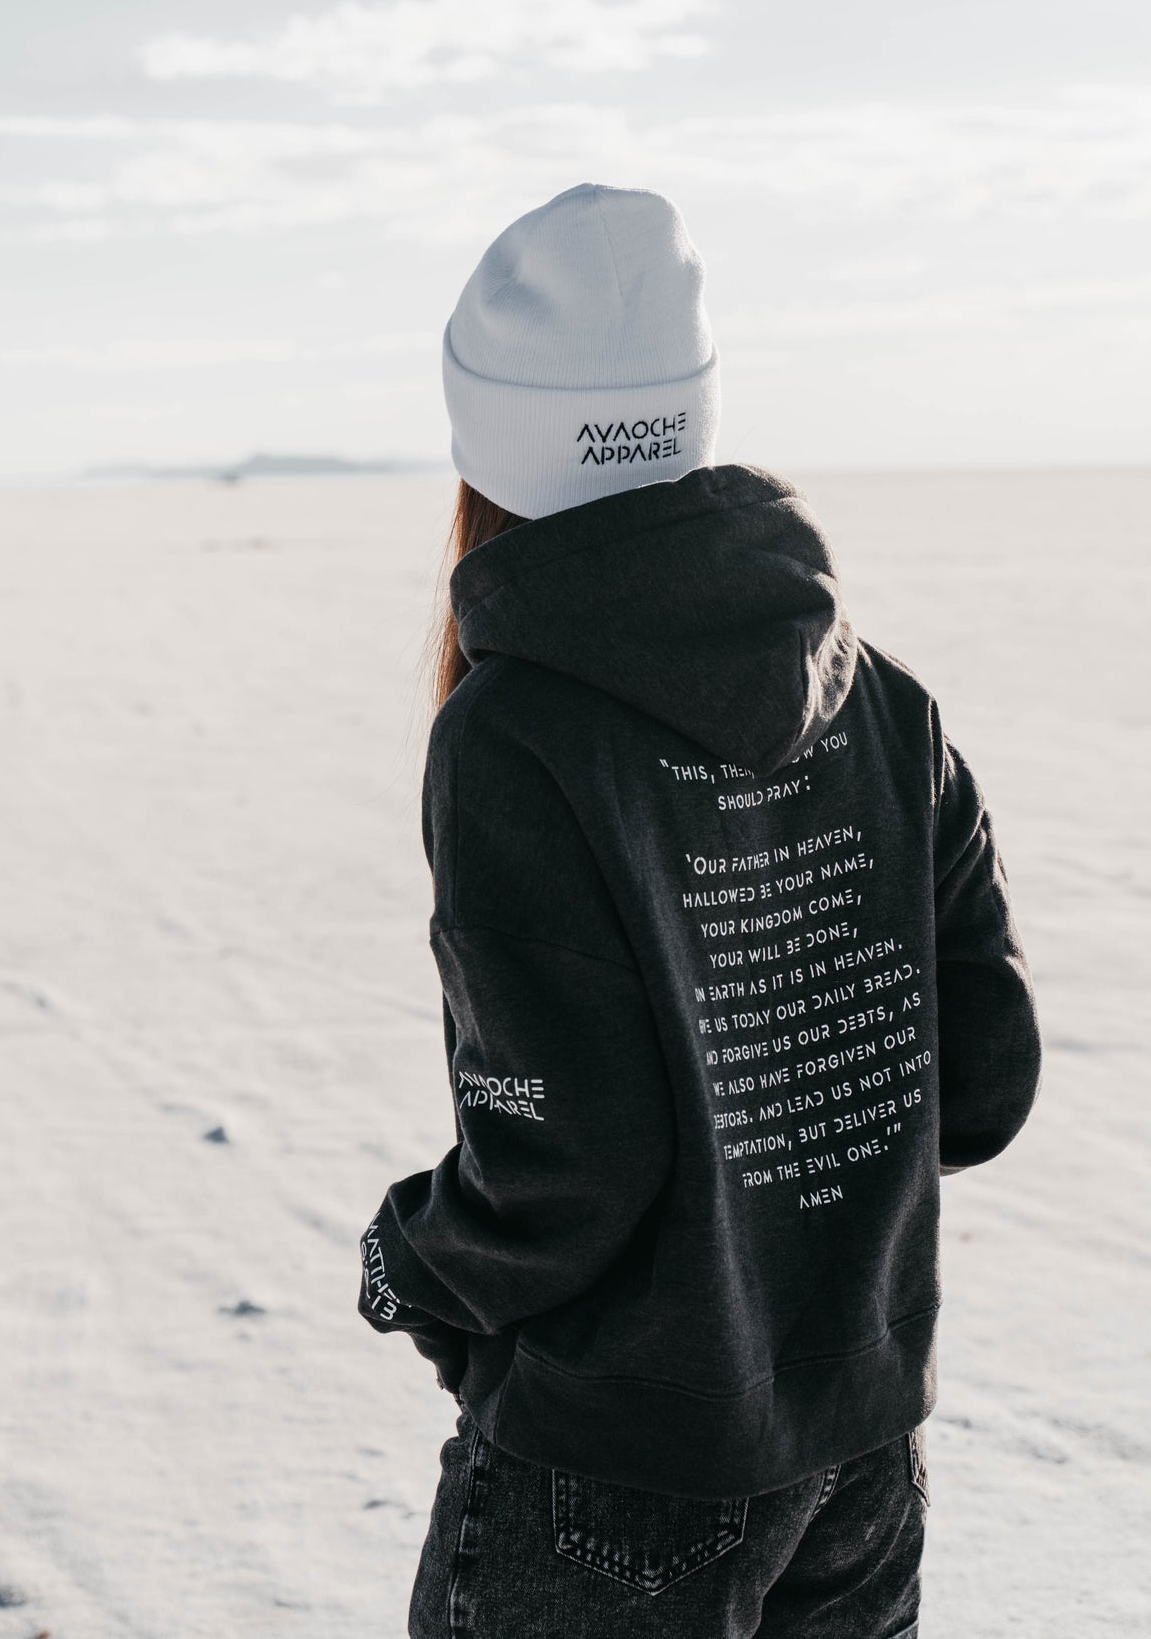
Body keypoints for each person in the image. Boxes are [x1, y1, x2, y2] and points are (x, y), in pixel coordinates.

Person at [357, 183, 1041, 1639]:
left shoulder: (514, 733)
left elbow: (563, 1170)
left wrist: (408, 1262)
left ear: (489, 447)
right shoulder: (881, 700)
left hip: (613, 1473)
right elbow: (979, 1088)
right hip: (860, 1453)